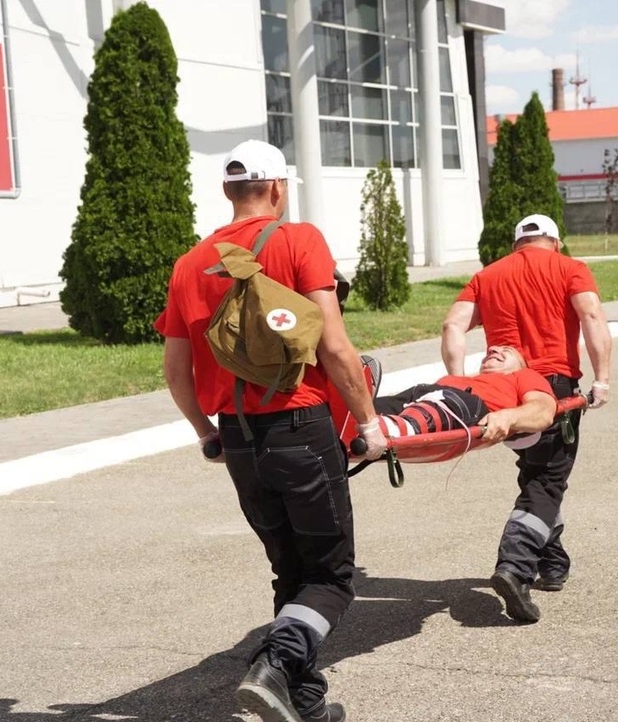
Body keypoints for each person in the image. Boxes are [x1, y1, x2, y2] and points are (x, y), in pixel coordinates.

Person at [155, 139, 387, 722]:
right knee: (331, 576)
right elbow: (333, 345)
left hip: (238, 438)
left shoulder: (188, 263)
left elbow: (175, 371)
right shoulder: (298, 240)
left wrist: (205, 431)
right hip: (302, 428)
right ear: (278, 187)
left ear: (229, 191)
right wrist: (368, 422)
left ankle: (300, 701)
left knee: (291, 569)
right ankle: (275, 666)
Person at [441, 213, 612, 624]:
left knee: (536, 473)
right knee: (548, 480)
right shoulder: (570, 268)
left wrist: (461, 383)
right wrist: (602, 378)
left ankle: (553, 564)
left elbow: (453, 325)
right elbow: (590, 317)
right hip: (549, 391)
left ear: (517, 243)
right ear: (554, 240)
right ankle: (515, 567)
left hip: (501, 390)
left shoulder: (488, 276)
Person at [372, 345, 557, 444]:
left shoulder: (523, 375)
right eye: (492, 351)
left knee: (448, 399)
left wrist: (508, 417)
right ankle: (355, 418)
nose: (493, 350)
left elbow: (544, 410)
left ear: (521, 364)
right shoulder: (467, 378)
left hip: (466, 406)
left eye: (506, 351)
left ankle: (391, 428)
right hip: (425, 395)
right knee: (388, 404)